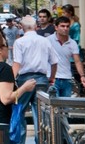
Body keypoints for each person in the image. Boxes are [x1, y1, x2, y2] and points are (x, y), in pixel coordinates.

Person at [12, 15, 57, 144]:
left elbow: (17, 63)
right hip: (42, 80)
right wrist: (51, 78)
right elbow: (54, 62)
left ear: (21, 27)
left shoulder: (19, 42)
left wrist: (11, 80)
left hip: (24, 80)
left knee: (19, 111)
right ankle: (41, 140)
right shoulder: (45, 41)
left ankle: (19, 141)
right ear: (36, 27)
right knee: (41, 115)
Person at [49, 16, 85, 97]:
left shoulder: (72, 43)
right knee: (53, 106)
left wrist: (82, 76)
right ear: (56, 27)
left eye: (67, 26)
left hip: (67, 79)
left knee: (66, 107)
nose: (65, 28)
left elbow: (77, 61)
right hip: (52, 79)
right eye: (62, 26)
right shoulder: (48, 40)